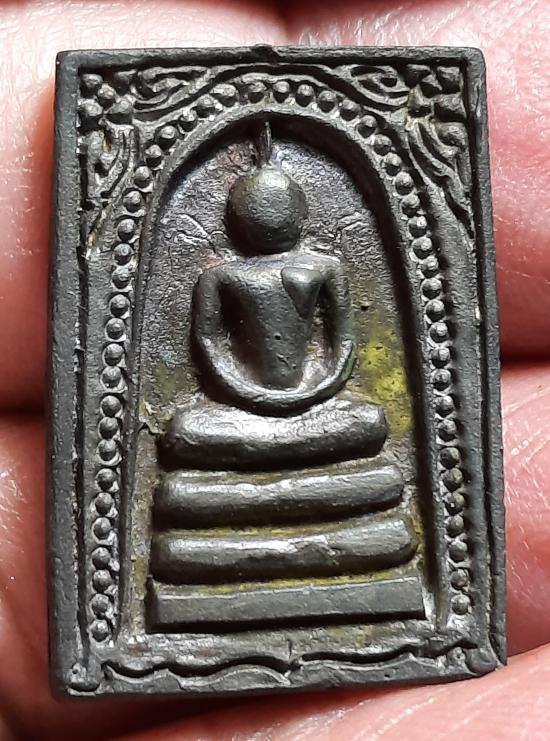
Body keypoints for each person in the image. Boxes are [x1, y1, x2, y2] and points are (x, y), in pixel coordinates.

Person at [0, 0, 549, 738]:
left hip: (320, 405)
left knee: (370, 424)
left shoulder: (323, 266)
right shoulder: (221, 275)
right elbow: (208, 349)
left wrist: (314, 389)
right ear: (238, 216)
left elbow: (342, 347)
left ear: (294, 213)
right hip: (234, 407)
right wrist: (249, 393)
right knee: (187, 431)